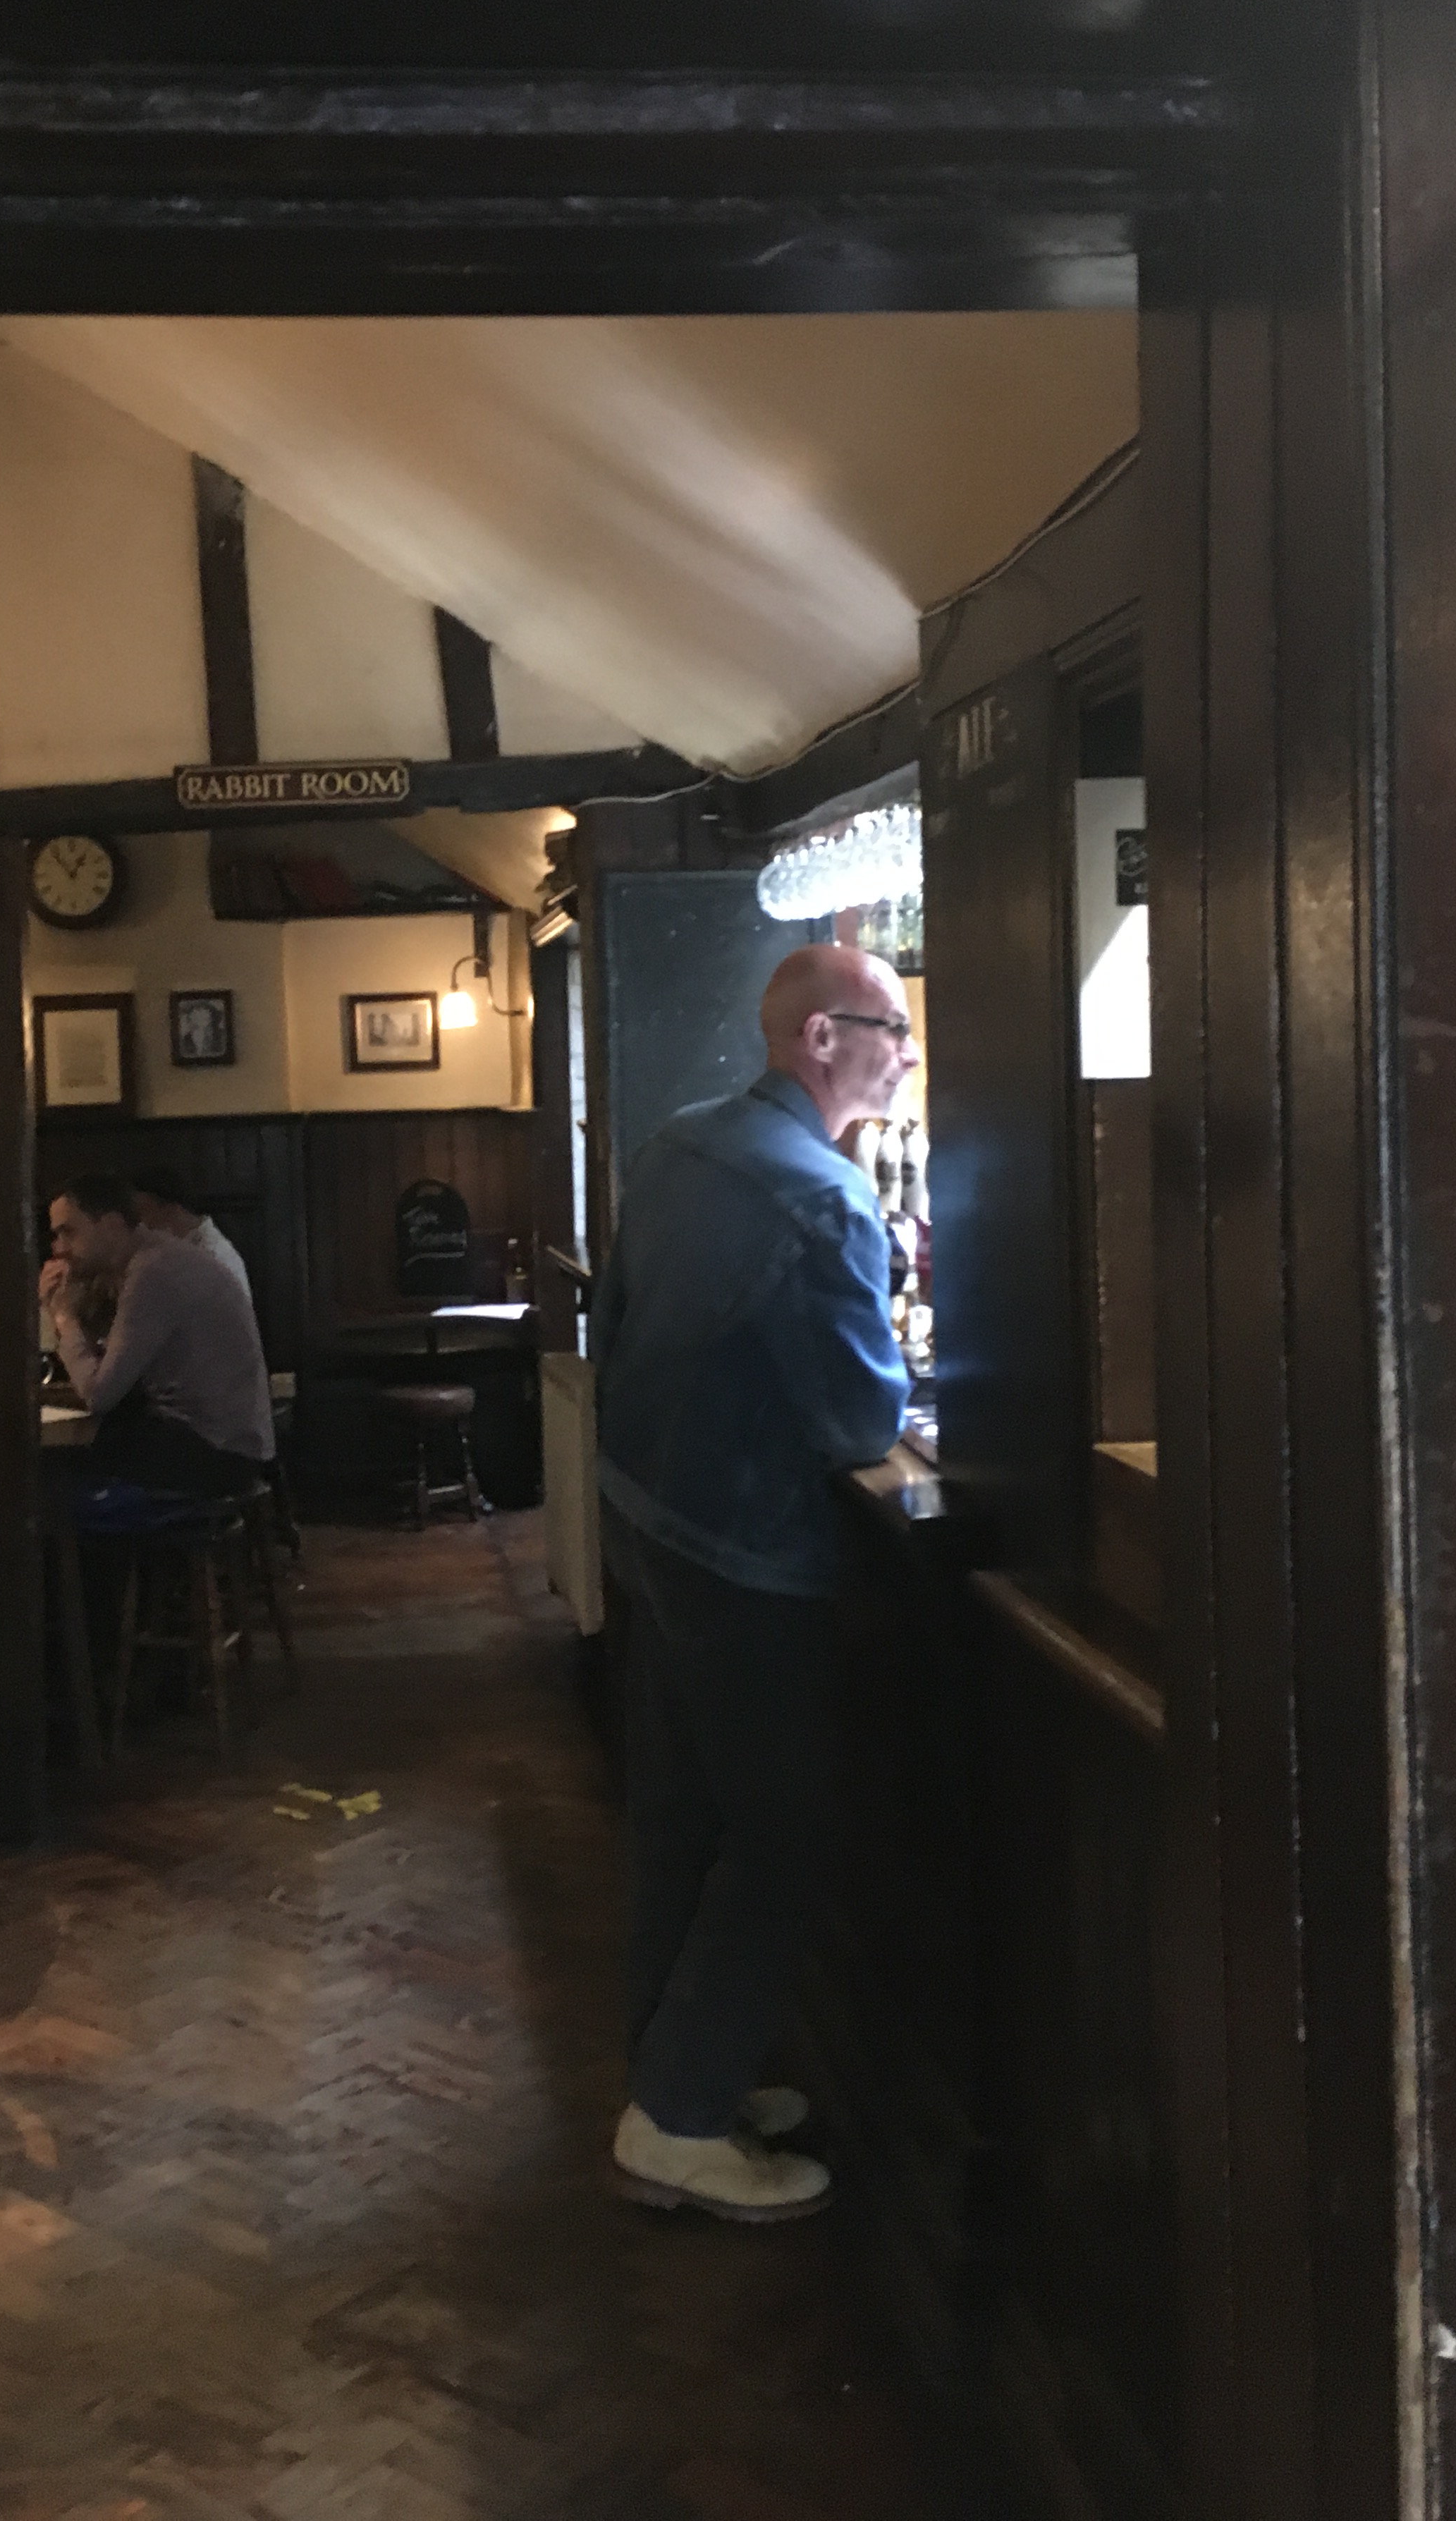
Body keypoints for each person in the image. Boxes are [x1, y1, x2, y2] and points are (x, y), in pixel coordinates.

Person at [593, 943, 916, 2224]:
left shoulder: (679, 1143)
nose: (907, 1054)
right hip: (745, 1554)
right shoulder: (824, 1199)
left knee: (680, 1818)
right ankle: (676, 2123)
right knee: (784, 1838)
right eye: (891, 1030)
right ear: (820, 1040)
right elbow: (859, 1420)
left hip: (646, 1520)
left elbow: (614, 1323)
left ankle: (673, 2077)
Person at [41, 1169, 274, 1496]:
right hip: (228, 1446)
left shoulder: (153, 1272)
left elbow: (98, 1394)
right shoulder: (153, 1260)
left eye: (68, 1232)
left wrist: (64, 1317)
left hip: (216, 1453)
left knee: (53, 1479)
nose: (59, 1249)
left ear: (112, 1225)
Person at [128, 1168, 256, 1315]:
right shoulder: (165, 1242)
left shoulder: (215, 1253)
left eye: (146, 1210)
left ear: (171, 1209)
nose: (143, 1222)